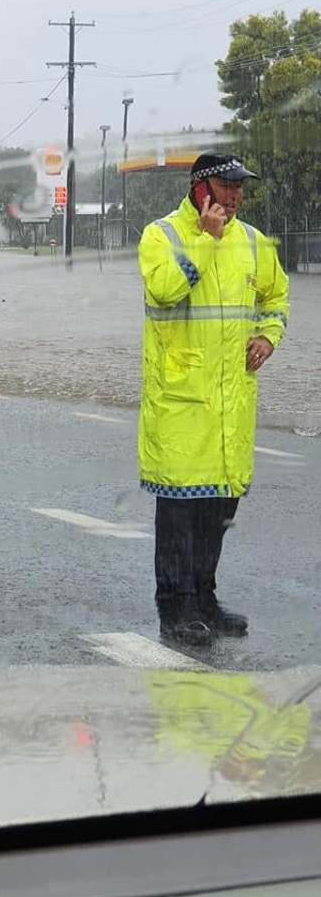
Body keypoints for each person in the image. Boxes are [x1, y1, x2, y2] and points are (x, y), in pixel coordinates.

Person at [137, 151, 289, 645]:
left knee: (218, 512)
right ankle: (174, 607)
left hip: (232, 405)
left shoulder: (254, 241)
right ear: (201, 188)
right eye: (226, 186)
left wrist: (268, 335)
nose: (235, 195)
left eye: (240, 187)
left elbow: (276, 296)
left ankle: (204, 598)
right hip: (182, 404)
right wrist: (205, 240)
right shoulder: (162, 235)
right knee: (180, 515)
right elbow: (163, 290)